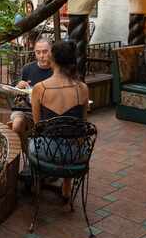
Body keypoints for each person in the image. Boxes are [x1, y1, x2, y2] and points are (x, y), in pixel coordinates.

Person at [30, 40, 90, 198]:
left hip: (47, 153)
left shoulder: (40, 88)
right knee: (71, 138)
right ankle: (66, 185)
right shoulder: (82, 88)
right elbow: (82, 126)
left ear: (53, 60)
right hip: (76, 155)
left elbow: (38, 128)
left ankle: (37, 180)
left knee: (31, 140)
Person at [11, 37, 53, 139]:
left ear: (52, 51)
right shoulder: (28, 68)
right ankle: (26, 150)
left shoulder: (56, 69)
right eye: (38, 52)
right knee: (17, 124)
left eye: (45, 52)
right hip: (27, 109)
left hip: (49, 110)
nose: (41, 56)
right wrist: (18, 87)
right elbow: (16, 93)